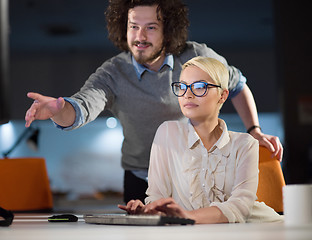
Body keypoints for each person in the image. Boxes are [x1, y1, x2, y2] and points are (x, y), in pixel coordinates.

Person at [24, 0, 283, 203]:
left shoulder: (196, 56)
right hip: (140, 178)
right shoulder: (113, 72)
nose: (140, 36)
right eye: (133, 26)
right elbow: (83, 106)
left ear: (168, 30)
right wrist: (59, 109)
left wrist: (254, 130)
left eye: (151, 27)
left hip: (192, 174)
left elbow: (237, 86)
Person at [119, 56, 282, 223]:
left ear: (222, 96)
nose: (187, 94)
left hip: (256, 230)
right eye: (182, 87)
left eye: (199, 87)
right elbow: (157, 197)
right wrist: (149, 210)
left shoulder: (245, 144)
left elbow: (241, 206)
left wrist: (188, 217)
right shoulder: (167, 132)